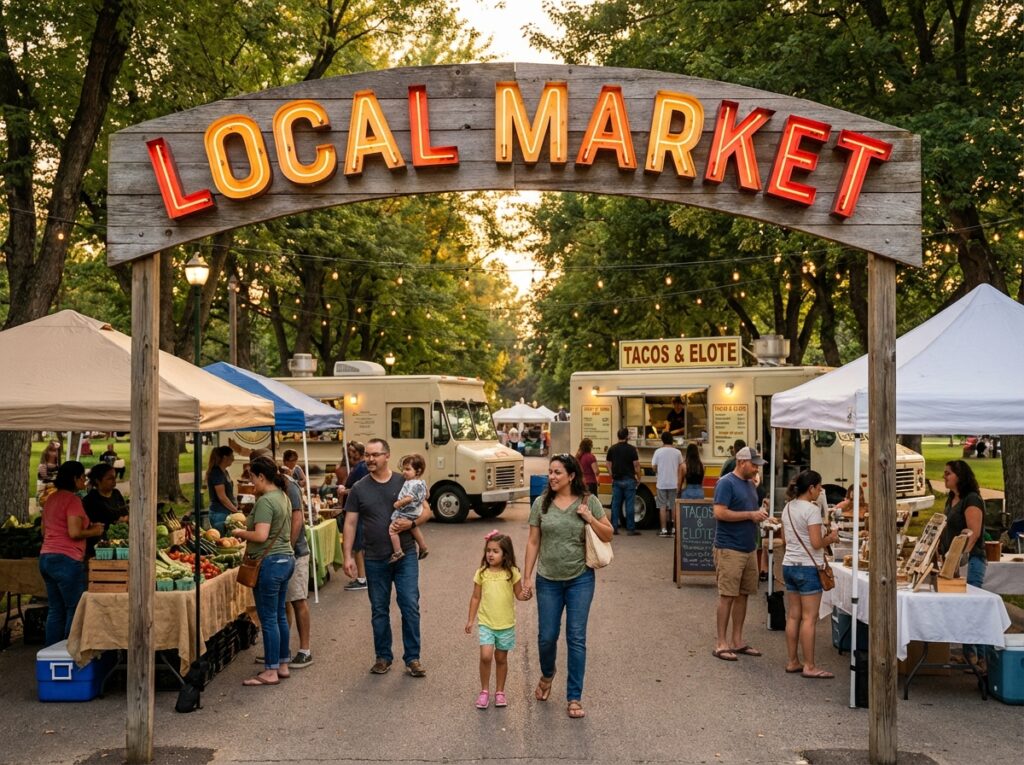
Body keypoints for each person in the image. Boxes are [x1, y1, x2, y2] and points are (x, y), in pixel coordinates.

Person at [523, 453, 612, 719]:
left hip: (580, 579)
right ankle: (548, 674)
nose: (551, 476)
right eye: (550, 472)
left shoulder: (589, 502)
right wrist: (526, 577)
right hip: (548, 579)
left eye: (557, 472)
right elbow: (533, 542)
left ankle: (574, 696)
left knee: (576, 637)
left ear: (571, 476)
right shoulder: (541, 503)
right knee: (547, 636)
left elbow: (608, 533)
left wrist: (589, 518)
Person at [342, 438, 428, 678]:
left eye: (375, 455)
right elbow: (350, 523)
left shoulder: (405, 481)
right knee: (379, 609)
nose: (369, 459)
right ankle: (383, 657)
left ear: (387, 456)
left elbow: (427, 510)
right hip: (374, 558)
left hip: (405, 555)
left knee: (410, 605)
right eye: (367, 455)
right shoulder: (359, 488)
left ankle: (413, 658)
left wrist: (412, 522)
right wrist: (347, 555)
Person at [231, 456, 295, 686]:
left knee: (268, 618)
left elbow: (260, 536)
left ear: (261, 476)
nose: (252, 483)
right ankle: (283, 663)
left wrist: (239, 533)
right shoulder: (283, 497)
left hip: (269, 563)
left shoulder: (266, 501)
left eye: (252, 478)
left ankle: (270, 671)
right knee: (279, 615)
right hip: (286, 560)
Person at [711, 446, 769, 662]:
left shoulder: (749, 483)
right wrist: (750, 515)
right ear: (741, 461)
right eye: (753, 465)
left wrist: (761, 511)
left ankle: (737, 640)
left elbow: (749, 509)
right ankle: (721, 642)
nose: (756, 469)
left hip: (748, 546)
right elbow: (719, 512)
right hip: (729, 547)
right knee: (727, 595)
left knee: (743, 594)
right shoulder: (726, 483)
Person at [780, 470, 839, 678]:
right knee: (809, 618)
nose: (821, 490)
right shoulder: (811, 510)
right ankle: (810, 665)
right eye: (819, 487)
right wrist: (830, 538)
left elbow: (785, 540)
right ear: (811, 488)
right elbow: (815, 543)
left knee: (794, 615)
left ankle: (792, 660)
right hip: (807, 566)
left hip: (789, 564)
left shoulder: (788, 507)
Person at [38, 461, 104, 646]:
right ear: (74, 478)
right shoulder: (73, 500)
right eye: (82, 477)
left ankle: (51, 653)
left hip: (46, 558)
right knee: (74, 609)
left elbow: (44, 531)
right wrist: (95, 531)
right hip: (66, 560)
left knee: (55, 609)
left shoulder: (51, 499)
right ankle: (70, 653)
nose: (84, 480)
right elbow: (74, 532)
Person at [465, 530, 531, 709]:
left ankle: (500, 691)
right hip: (486, 622)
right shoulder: (481, 573)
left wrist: (527, 594)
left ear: (505, 554)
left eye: (495, 551)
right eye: (488, 550)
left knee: (501, 659)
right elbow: (476, 597)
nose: (490, 554)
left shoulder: (512, 573)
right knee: (486, 656)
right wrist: (471, 620)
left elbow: (519, 595)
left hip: (506, 624)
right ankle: (484, 691)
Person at [940, 459, 988, 670]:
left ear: (959, 476)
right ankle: (969, 654)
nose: (944, 476)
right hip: (953, 562)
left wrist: (959, 558)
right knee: (962, 609)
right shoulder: (951, 499)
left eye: (948, 473)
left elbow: (973, 533)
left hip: (971, 561)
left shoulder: (972, 500)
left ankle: (981, 658)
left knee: (973, 609)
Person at [280, 465, 313, 669]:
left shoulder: (289, 485)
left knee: (298, 600)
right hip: (285, 552)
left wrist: (289, 548)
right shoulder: (276, 485)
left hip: (296, 552)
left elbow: (298, 518)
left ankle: (305, 650)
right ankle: (283, 649)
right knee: (285, 602)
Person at [338, 441, 370, 591]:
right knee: (359, 546)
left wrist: (344, 491)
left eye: (352, 451)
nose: (349, 453)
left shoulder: (362, 467)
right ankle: (363, 576)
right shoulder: (359, 466)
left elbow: (361, 489)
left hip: (358, 512)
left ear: (359, 452)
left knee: (358, 546)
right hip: (357, 510)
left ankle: (362, 578)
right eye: (348, 451)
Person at [389, 454, 429, 563]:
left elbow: (409, 498)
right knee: (413, 527)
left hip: (407, 510)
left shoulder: (411, 484)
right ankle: (423, 546)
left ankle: (397, 551)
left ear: (418, 471)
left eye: (408, 469)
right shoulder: (421, 482)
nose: (404, 472)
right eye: (403, 469)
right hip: (416, 511)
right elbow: (427, 495)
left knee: (392, 530)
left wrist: (398, 504)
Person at [82, 463, 128, 557]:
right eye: (109, 478)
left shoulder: (116, 494)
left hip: (120, 543)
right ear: (98, 481)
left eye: (114, 477)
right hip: (100, 547)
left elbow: (125, 512)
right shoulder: (90, 500)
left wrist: (125, 519)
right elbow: (92, 524)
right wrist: (116, 522)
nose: (114, 481)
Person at [605, 428, 641, 535]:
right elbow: (636, 465)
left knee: (615, 505)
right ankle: (630, 529)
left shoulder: (612, 449)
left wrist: (612, 475)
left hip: (617, 480)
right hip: (629, 479)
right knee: (629, 505)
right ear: (627, 437)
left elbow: (608, 464)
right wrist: (639, 478)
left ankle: (614, 528)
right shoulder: (632, 449)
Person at [652, 432, 683, 538]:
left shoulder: (658, 452)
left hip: (661, 483)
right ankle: (674, 529)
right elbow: (681, 467)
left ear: (662, 440)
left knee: (662, 506)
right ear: (672, 440)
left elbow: (654, 467)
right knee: (673, 506)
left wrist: (658, 470)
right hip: (674, 483)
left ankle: (664, 530)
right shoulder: (677, 452)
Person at [206, 445, 239, 534]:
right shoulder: (216, 473)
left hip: (225, 512)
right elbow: (222, 497)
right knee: (222, 541)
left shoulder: (225, 472)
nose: (233, 459)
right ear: (225, 457)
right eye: (232, 456)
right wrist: (235, 511)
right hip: (219, 514)